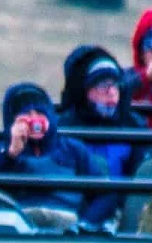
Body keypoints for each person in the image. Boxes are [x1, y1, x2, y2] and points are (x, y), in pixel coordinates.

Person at [0, 81, 116, 228]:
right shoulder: (2, 149)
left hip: (66, 223)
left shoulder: (72, 149)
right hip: (20, 223)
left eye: (40, 113)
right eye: (26, 114)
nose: (34, 120)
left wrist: (85, 224)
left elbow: (105, 194)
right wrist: (11, 154)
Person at [57, 45, 145, 177]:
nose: (111, 92)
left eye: (115, 85)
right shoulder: (64, 128)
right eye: (102, 85)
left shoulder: (133, 125)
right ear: (83, 91)